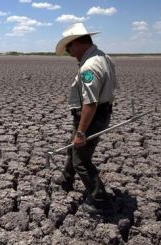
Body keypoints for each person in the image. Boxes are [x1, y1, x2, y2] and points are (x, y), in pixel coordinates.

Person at [54, 23, 117, 214]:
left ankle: (100, 201)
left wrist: (81, 131)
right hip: (98, 114)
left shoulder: (89, 67)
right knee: (72, 146)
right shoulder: (103, 57)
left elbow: (90, 103)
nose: (69, 52)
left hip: (91, 117)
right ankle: (66, 179)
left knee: (81, 160)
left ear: (78, 43)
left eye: (69, 47)